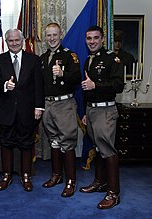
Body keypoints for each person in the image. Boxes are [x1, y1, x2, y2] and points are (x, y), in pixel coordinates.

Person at [0, 28, 45, 192]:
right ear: (6, 42)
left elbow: (39, 85)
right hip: (6, 110)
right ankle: (6, 175)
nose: (14, 43)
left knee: (26, 144)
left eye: (17, 40)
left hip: (28, 111)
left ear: (22, 41)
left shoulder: (33, 60)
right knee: (6, 144)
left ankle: (26, 176)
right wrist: (4, 85)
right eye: (10, 41)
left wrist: (39, 106)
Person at [80, 25, 124, 209]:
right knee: (98, 148)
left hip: (105, 111)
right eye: (89, 38)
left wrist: (96, 86)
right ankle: (100, 182)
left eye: (95, 38)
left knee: (107, 150)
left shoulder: (112, 59)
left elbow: (118, 85)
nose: (92, 41)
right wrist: (86, 112)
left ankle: (113, 193)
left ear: (103, 39)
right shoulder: (89, 60)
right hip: (92, 111)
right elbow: (86, 89)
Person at [40, 23, 81, 197]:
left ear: (60, 35)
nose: (51, 38)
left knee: (67, 142)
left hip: (64, 104)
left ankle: (70, 181)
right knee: (54, 141)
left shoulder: (69, 56)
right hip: (48, 105)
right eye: (48, 35)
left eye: (54, 35)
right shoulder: (42, 58)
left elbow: (77, 78)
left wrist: (63, 74)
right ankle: (56, 175)